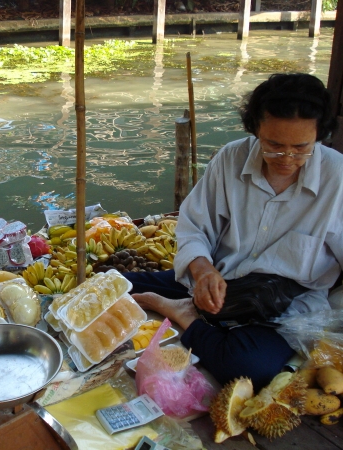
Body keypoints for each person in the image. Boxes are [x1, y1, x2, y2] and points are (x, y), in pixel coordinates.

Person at [124, 73, 343, 389]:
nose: (287, 158)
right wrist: (202, 272)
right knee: (118, 284)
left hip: (283, 310)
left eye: (301, 148)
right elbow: (194, 226)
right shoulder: (230, 158)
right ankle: (193, 309)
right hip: (218, 281)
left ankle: (182, 314)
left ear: (319, 135)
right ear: (255, 128)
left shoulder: (337, 178)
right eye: (274, 145)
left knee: (247, 368)